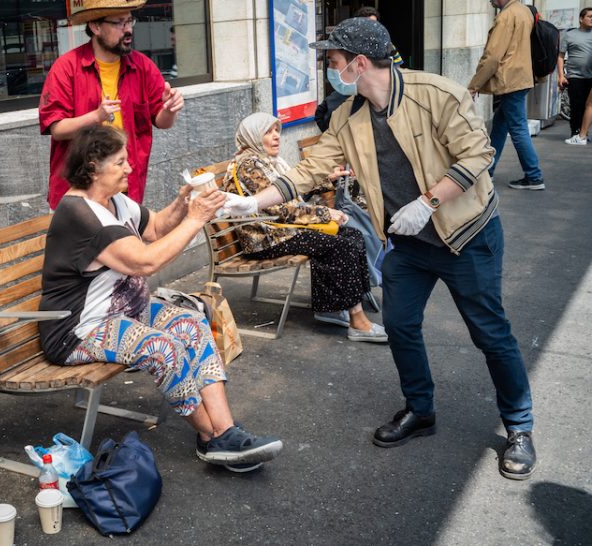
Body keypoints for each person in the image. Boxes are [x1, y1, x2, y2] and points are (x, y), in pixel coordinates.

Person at [221, 17, 537, 480]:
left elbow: (478, 154)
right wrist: (248, 201)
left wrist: (428, 203)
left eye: (333, 61)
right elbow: (308, 172)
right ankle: (420, 409)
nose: (329, 68)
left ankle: (519, 426)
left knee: (489, 332)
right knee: (403, 326)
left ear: (359, 62)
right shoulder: (349, 116)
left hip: (465, 234)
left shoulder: (438, 95)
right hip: (407, 244)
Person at [38, 125, 284, 472]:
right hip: (79, 330)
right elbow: (145, 260)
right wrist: (196, 219)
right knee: (162, 347)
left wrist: (184, 202)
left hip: (127, 313)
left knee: (192, 323)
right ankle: (213, 437)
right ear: (93, 167)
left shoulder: (114, 200)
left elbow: (154, 227)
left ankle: (226, 430)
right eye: (120, 162)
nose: (130, 168)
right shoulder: (80, 215)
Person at [223, 112, 386, 343]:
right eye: (268, 132)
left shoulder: (268, 162)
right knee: (339, 245)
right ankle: (357, 320)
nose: (276, 137)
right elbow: (280, 209)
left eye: (277, 130)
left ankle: (332, 306)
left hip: (282, 230)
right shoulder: (249, 166)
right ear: (252, 137)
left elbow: (292, 193)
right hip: (267, 237)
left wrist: (328, 180)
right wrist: (323, 213)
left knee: (352, 235)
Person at [39, 0, 184, 209]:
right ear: (95, 27)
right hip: (78, 194)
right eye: (119, 23)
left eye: (129, 21)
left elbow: (161, 122)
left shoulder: (143, 66)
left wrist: (170, 109)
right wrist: (96, 117)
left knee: (128, 242)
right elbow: (58, 129)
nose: (128, 30)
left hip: (125, 191)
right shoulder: (66, 68)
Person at [468, 0, 545, 190]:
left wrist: (474, 85)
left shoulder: (506, 16)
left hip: (511, 79)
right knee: (500, 126)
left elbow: (493, 56)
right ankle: (488, 171)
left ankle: (534, 176)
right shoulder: (524, 11)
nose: (489, 1)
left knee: (517, 129)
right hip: (521, 76)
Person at [314, 6, 403, 132]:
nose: (372, 31)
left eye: (375, 25)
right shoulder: (344, 112)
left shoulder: (428, 101)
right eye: (367, 26)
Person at [559, 7, 592, 145]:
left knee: (588, 105)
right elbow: (561, 55)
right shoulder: (569, 35)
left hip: (590, 76)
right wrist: (561, 75)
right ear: (581, 19)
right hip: (574, 75)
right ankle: (576, 132)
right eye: (589, 16)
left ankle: (584, 132)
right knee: (576, 105)